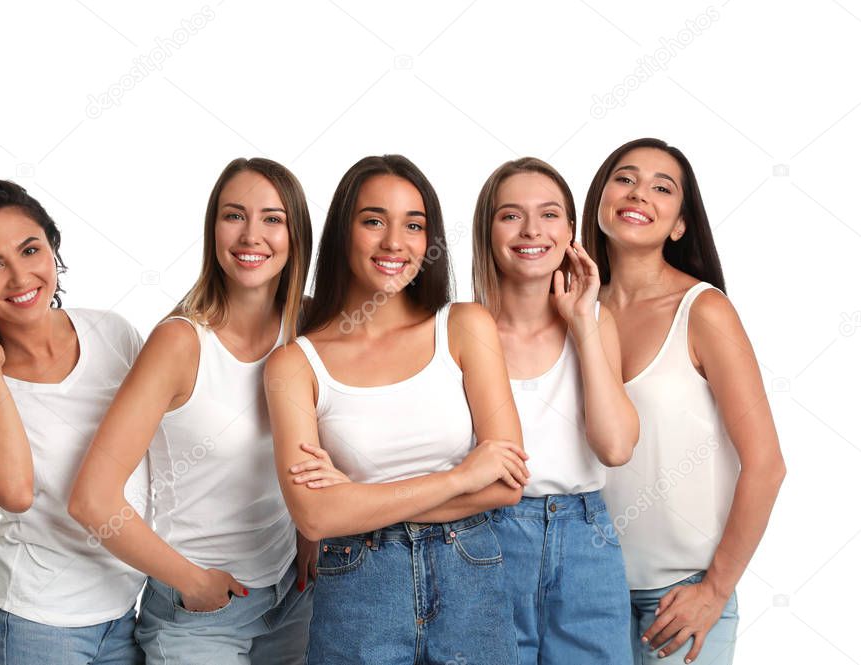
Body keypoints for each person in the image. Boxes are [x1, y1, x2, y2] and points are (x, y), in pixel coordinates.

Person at [265, 154, 528, 665]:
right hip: (360, 587)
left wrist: (358, 501)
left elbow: (507, 484)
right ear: (344, 232)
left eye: (414, 225)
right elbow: (315, 516)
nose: (394, 243)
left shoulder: (465, 327)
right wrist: (459, 478)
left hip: (470, 575)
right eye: (373, 221)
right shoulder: (296, 364)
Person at [68, 158, 315, 665]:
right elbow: (92, 499)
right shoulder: (179, 342)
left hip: (293, 598)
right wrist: (194, 583)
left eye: (272, 219)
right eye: (234, 216)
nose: (252, 235)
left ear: (296, 236)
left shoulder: (308, 325)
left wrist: (310, 534)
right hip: (200, 616)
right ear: (212, 230)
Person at [0, 178, 149, 665]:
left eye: (30, 250)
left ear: (51, 249)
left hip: (128, 616)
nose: (20, 278)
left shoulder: (113, 333)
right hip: (34, 627)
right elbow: (14, 490)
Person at [582, 138, 786, 663]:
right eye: (625, 179)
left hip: (678, 598)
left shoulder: (704, 311)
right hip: (585, 593)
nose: (639, 194)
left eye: (662, 187)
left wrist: (715, 590)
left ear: (678, 224)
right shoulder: (572, 312)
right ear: (600, 199)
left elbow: (766, 465)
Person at [471, 157, 639, 663]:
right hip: (487, 535)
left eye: (549, 215)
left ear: (571, 231)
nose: (531, 230)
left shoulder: (596, 323)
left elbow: (615, 447)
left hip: (586, 537)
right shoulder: (460, 330)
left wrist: (582, 323)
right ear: (488, 228)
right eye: (510, 215)